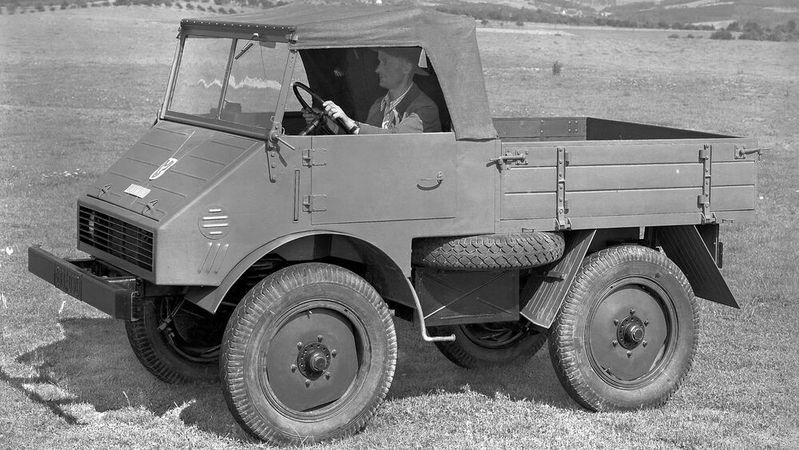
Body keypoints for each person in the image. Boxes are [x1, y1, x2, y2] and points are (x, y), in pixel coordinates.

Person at [306, 47, 441, 134]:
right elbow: (364, 143)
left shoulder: (425, 110)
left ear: (406, 68)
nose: (377, 69)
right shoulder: (378, 106)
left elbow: (395, 139)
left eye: (385, 62)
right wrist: (328, 122)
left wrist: (350, 123)